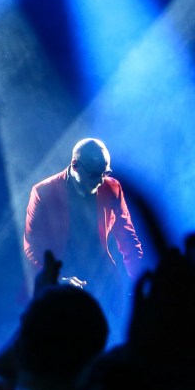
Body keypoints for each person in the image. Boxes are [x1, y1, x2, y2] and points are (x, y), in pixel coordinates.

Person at [24, 138, 143, 339]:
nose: (101, 180)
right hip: (62, 285)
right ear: (75, 166)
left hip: (105, 282)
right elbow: (32, 249)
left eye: (106, 173)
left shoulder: (112, 187)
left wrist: (140, 281)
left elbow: (128, 239)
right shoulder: (43, 192)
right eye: (96, 174)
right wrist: (57, 280)